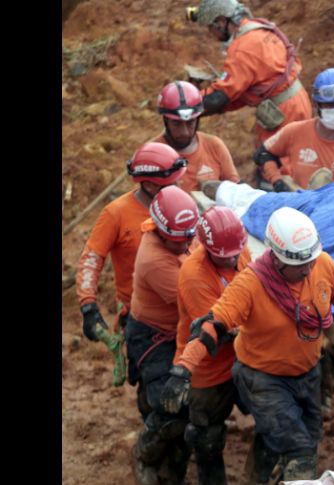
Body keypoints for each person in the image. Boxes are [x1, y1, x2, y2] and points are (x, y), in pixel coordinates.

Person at [160, 207, 334, 481]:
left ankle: (256, 478)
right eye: (299, 264)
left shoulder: (323, 264)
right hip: (263, 378)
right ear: (276, 257)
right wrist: (183, 370)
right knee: (300, 452)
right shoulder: (250, 284)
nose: (308, 268)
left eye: (311, 260)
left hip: (306, 373)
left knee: (306, 436)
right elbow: (211, 326)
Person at [159, 207, 250, 485]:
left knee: (277, 424)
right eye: (225, 257)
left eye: (236, 254)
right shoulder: (194, 275)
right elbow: (215, 334)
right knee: (205, 437)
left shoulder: (238, 248)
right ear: (208, 248)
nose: (233, 259)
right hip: (207, 368)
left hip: (245, 358)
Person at [125, 186, 200, 485]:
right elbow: (199, 305)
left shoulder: (181, 234)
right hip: (155, 335)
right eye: (178, 240)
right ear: (160, 229)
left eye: (189, 238)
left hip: (178, 329)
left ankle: (173, 468)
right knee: (170, 406)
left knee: (184, 410)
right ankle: (144, 453)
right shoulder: (155, 260)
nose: (186, 245)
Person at [77, 142, 188, 341]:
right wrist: (88, 305)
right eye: (173, 183)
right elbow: (91, 259)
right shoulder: (116, 214)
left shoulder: (181, 207)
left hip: (181, 310)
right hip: (138, 319)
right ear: (150, 185)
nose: (179, 187)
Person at [189, 0, 312, 146]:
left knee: (278, 162)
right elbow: (242, 91)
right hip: (297, 102)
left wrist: (188, 104)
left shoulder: (242, 48)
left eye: (211, 28)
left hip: (283, 113)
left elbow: (221, 95)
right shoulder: (260, 29)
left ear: (221, 22)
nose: (212, 34)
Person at [253, 68, 334, 192]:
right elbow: (263, 154)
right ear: (316, 105)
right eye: (329, 105)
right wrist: (277, 180)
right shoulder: (295, 132)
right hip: (301, 205)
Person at [153, 80, 240, 193]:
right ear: (166, 121)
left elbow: (235, 192)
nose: (184, 132)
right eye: (177, 124)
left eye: (190, 123)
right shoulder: (153, 155)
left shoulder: (214, 146)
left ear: (198, 120)